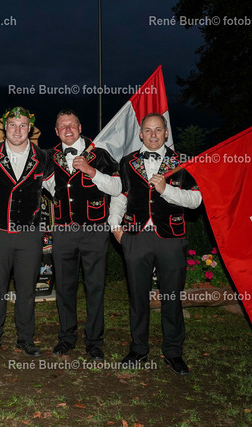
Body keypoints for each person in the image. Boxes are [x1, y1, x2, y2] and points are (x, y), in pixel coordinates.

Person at [109, 113, 202, 376]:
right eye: (148, 130)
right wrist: (115, 227)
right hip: (136, 237)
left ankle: (173, 352)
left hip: (171, 239)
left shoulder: (181, 162)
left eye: (158, 130)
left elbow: (196, 200)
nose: (152, 135)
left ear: (166, 132)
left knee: (171, 297)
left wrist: (166, 190)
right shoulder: (128, 162)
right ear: (140, 134)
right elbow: (120, 196)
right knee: (138, 297)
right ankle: (138, 348)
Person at [42, 110, 120, 360]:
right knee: (64, 287)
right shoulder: (49, 156)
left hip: (94, 231)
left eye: (72, 124)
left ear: (80, 127)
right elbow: (44, 183)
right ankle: (67, 337)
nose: (68, 129)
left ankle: (94, 341)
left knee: (94, 287)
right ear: (56, 132)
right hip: (63, 231)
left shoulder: (100, 154)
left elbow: (118, 187)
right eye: (62, 126)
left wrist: (91, 171)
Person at [0, 106, 53, 357]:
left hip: (29, 234)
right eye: (13, 125)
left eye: (23, 125)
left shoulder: (42, 157)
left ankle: (25, 338)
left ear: (30, 128)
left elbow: (57, 188)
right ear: (5, 127)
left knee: (26, 290)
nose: (18, 130)